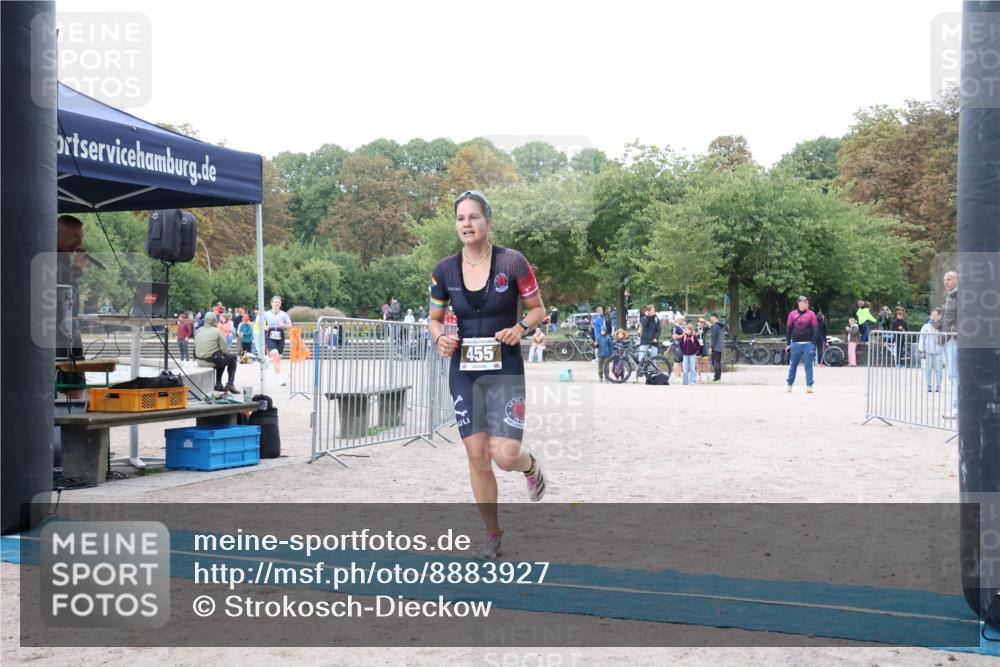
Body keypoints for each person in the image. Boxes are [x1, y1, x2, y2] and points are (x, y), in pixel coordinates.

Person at [428, 190, 547, 560]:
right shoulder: (444, 270)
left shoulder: (512, 262)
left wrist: (520, 329)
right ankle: (493, 534)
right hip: (464, 370)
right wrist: (441, 340)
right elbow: (433, 319)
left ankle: (530, 466)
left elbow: (537, 309)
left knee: (504, 453)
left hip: (504, 366)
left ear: (488, 222)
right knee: (477, 454)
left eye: (473, 217)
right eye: (460, 218)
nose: (466, 224)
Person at [55, 215, 88, 398]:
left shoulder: (65, 258)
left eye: (81, 237)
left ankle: (74, 419)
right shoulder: (49, 256)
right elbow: (63, 293)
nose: (79, 242)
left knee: (75, 384)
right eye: (75, 236)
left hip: (70, 331)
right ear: (59, 231)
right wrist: (77, 270)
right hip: (54, 331)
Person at [193, 311, 238, 393]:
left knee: (221, 357)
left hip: (200, 361)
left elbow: (195, 346)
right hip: (211, 361)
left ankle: (218, 384)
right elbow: (224, 349)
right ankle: (230, 384)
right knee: (232, 358)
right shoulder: (217, 331)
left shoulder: (198, 331)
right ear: (215, 320)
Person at [785, 295, 818, 393]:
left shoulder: (811, 314)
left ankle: (809, 385)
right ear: (799, 303)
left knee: (808, 366)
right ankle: (789, 384)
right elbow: (788, 329)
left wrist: (813, 343)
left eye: (807, 302)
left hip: (808, 344)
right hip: (795, 344)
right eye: (804, 302)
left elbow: (815, 329)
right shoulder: (792, 314)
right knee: (793, 366)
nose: (807, 304)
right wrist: (788, 343)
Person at [940, 270, 959, 418]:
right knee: (952, 375)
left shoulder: (960, 296)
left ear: (957, 280)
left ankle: (957, 408)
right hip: (947, 339)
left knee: (955, 375)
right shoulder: (947, 296)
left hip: (955, 339)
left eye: (949, 279)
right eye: (945, 279)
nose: (946, 281)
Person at [263, 295, 292, 386]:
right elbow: (259, 325)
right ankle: (280, 379)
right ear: (271, 303)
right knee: (276, 356)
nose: (277, 304)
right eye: (275, 302)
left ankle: (267, 359)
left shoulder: (284, 314)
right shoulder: (266, 314)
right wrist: (265, 327)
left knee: (278, 359)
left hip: (280, 335)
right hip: (270, 335)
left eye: (279, 302)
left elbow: (290, 325)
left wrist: (283, 325)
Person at [918, 309, 944, 392]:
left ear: (939, 316)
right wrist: (921, 351)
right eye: (932, 315)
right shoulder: (926, 326)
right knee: (928, 369)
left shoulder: (942, 326)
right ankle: (929, 385)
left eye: (936, 315)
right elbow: (922, 338)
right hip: (928, 351)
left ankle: (938, 386)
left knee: (939, 369)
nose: (934, 316)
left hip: (939, 351)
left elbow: (945, 338)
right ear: (930, 316)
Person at [709, 314, 726, 382]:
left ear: (714, 317)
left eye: (711, 317)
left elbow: (714, 338)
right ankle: (718, 378)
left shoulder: (715, 326)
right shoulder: (720, 325)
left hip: (715, 346)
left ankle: (716, 378)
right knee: (717, 361)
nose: (710, 318)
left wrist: (711, 347)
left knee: (715, 362)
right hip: (720, 346)